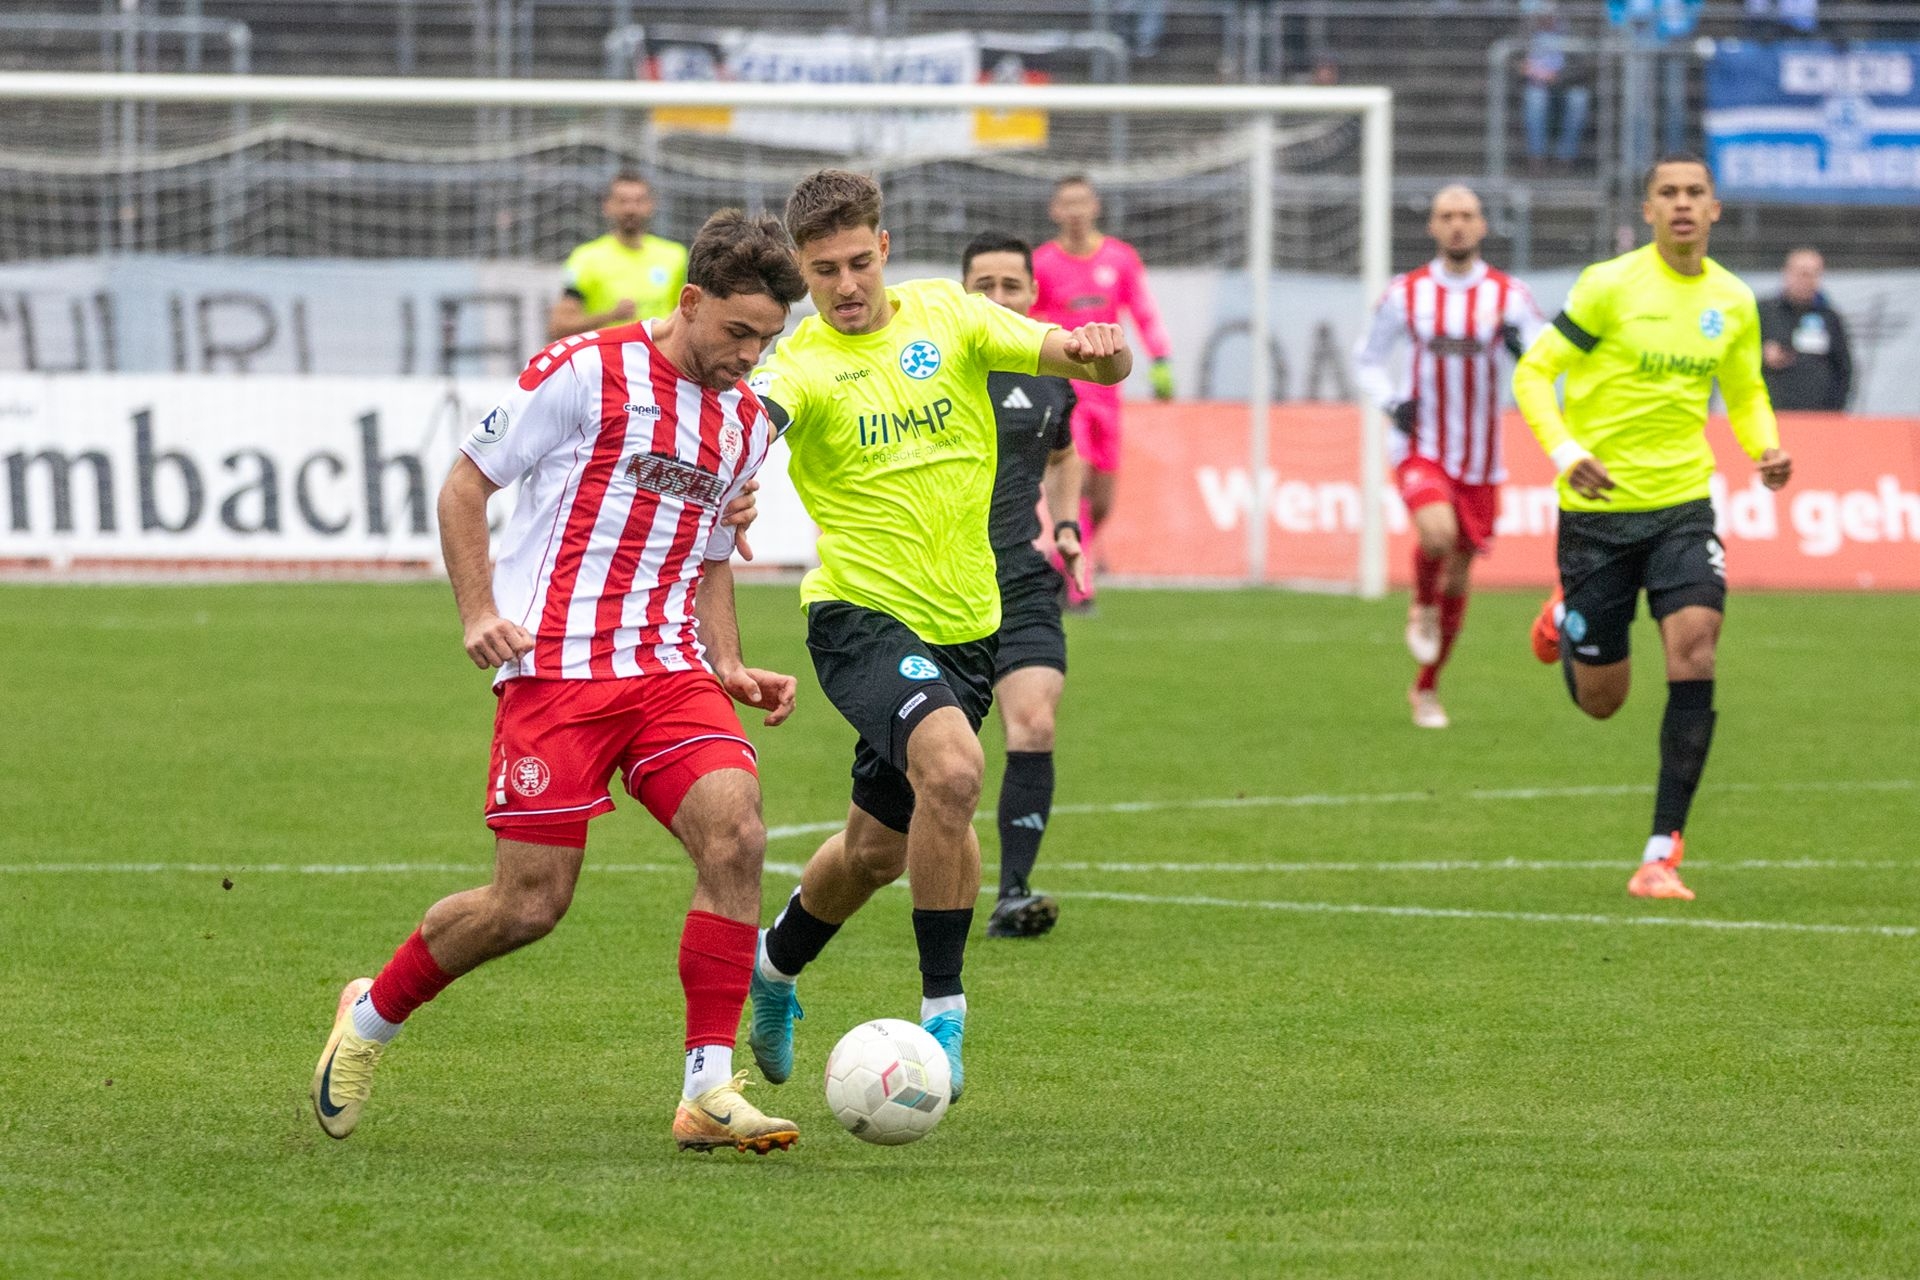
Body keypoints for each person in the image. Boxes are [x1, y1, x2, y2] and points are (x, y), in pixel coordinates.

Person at [311, 210, 809, 1154]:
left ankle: (707, 1089)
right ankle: (371, 1014)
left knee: (737, 835)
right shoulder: (583, 370)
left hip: (666, 670)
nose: (749, 356)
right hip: (555, 672)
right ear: (690, 301)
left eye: (767, 340)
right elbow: (465, 486)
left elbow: (710, 554)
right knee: (528, 905)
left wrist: (729, 661)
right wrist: (478, 612)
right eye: (737, 332)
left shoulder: (747, 423)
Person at [744, 170, 1131, 1101]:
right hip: (859, 616)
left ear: (884, 247)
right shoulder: (798, 364)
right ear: (800, 270)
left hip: (968, 623)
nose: (845, 286)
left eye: (858, 262)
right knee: (955, 772)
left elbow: (1087, 364)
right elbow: (747, 424)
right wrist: (734, 478)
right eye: (823, 271)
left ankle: (773, 966)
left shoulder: (950, 316)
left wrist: (1103, 352)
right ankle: (944, 1018)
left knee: (876, 852)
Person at [1515, 154, 1793, 901]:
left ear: (1715, 209)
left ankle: (1660, 854)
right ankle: (1566, 613)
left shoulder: (1732, 300)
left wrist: (1765, 447)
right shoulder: (1608, 286)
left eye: (1695, 192)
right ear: (1648, 211)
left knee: (1696, 648)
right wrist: (1567, 452)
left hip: (1682, 505)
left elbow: (1745, 391)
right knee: (1602, 701)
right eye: (1667, 193)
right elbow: (1533, 374)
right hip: (1598, 514)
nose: (1682, 204)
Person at [1354, 185, 1545, 729]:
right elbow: (1367, 358)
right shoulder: (1406, 292)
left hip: (1481, 458)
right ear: (1432, 227)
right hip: (1423, 445)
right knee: (1436, 536)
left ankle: (1427, 686)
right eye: (1447, 216)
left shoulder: (1509, 295)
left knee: (1459, 577)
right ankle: (1422, 603)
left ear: (1482, 226)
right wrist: (1391, 403)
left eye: (1466, 215)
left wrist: (1524, 352)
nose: (1457, 224)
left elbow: (1547, 355)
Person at [961, 231, 1086, 938]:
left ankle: (1013, 892)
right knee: (939, 764)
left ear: (1033, 294)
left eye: (1012, 285)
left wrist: (1065, 526)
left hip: (1019, 578)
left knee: (1034, 723)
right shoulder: (936, 370)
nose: (1000, 297)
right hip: (939, 588)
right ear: (963, 293)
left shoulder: (1051, 373)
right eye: (985, 285)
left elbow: (1064, 456)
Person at [1031, 175, 1174, 610]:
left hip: (1109, 393)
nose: (1075, 211)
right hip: (1065, 390)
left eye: (1082, 202)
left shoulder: (1120, 258)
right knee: (1078, 477)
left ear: (1094, 207)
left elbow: (1142, 309)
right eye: (1067, 203)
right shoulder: (1043, 264)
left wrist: (1161, 359)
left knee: (1103, 498)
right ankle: (1080, 587)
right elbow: (1029, 322)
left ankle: (1063, 562)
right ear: (1055, 211)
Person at [548, 172, 689, 340]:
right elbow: (559, 327)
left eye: (638, 201)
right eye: (622, 201)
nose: (630, 209)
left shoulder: (675, 256)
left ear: (651, 205)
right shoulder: (586, 258)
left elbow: (687, 317)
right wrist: (611, 316)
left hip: (659, 354)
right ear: (607, 206)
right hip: (608, 354)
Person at [1759, 247, 1852, 411]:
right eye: (1802, 273)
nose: (1807, 280)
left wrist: (1836, 411)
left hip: (1818, 416)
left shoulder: (1829, 317)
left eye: (1814, 274)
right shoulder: (1764, 312)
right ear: (1787, 273)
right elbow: (1737, 358)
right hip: (1770, 412)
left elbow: (1843, 368)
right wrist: (1761, 356)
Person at [1520, 1, 1592, 173]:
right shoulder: (1526, 28)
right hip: (1536, 84)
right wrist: (1523, 67)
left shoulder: (1574, 29)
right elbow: (1510, 55)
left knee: (1579, 100)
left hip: (1566, 83)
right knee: (1535, 99)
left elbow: (1584, 65)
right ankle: (1536, 157)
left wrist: (1556, 77)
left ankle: (1565, 157)